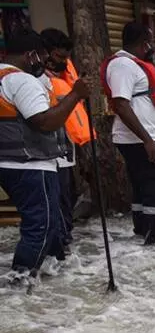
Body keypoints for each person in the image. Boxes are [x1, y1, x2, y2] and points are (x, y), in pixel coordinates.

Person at [0, 28, 90, 278]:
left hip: (9, 163)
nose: (46, 62)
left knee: (45, 223)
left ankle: (50, 274)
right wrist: (76, 94)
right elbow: (44, 121)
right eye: (41, 56)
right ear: (31, 56)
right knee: (42, 225)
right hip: (31, 165)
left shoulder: (4, 78)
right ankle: (21, 281)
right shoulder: (22, 81)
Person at [100, 21, 155, 245]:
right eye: (151, 42)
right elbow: (121, 104)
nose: (152, 47)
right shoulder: (123, 66)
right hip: (137, 139)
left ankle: (144, 231)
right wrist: (147, 141)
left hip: (142, 138)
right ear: (143, 43)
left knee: (143, 185)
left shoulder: (133, 64)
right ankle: (154, 236)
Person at [40, 28, 93, 249]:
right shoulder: (38, 81)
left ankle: (64, 241)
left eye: (66, 57)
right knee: (58, 201)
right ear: (45, 54)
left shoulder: (66, 79)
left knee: (67, 197)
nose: (63, 62)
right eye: (59, 57)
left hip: (67, 151)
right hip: (50, 154)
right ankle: (59, 244)